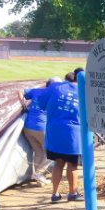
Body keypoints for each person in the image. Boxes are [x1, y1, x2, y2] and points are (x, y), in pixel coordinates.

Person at [44, 72, 83, 203]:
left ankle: (55, 194)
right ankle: (72, 193)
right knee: (73, 164)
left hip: (55, 133)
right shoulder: (82, 92)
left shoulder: (56, 89)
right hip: (73, 134)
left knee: (59, 163)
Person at [21, 76, 62, 186]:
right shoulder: (55, 96)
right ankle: (38, 174)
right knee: (54, 151)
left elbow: (20, 91)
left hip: (28, 127)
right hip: (41, 128)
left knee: (38, 152)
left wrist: (23, 104)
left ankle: (38, 180)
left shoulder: (37, 91)